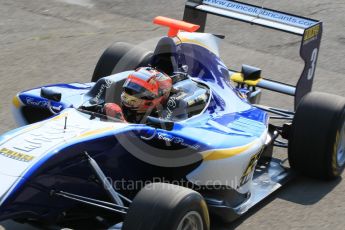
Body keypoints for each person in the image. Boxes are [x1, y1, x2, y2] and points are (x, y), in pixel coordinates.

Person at [104, 67, 173, 123]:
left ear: (160, 97)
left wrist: (120, 120)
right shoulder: (117, 110)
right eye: (131, 87)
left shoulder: (164, 117)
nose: (131, 96)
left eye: (141, 93)